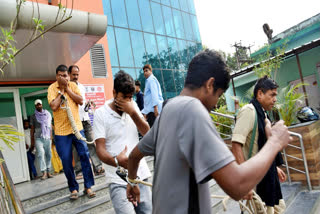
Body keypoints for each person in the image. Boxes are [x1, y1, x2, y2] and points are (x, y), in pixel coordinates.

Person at [126, 49, 291, 214]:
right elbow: (237, 186)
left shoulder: (167, 111)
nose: (214, 105)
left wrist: (132, 182)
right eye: (218, 95)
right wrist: (274, 142)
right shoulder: (193, 110)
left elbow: (134, 156)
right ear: (210, 84)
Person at [94, 71, 152, 214]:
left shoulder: (132, 106)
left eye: (130, 97)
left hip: (141, 175)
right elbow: (100, 149)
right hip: (118, 179)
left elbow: (147, 133)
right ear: (114, 92)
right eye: (123, 97)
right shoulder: (101, 113)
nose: (127, 101)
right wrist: (116, 161)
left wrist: (133, 112)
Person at [231, 76, 287, 213]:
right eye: (272, 95)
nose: (275, 99)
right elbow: (236, 144)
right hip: (256, 185)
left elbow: (261, 146)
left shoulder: (263, 114)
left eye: (276, 95)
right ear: (260, 94)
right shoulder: (249, 111)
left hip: (268, 179)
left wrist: (274, 167)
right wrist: (244, 182)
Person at [47, 64, 95, 200]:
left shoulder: (73, 86)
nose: (64, 78)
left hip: (77, 128)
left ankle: (88, 186)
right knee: (66, 161)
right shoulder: (52, 88)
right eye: (61, 76)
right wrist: (61, 91)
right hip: (61, 132)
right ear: (57, 76)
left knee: (85, 155)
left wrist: (67, 88)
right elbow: (54, 106)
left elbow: (80, 101)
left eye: (65, 75)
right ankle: (73, 188)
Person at [68, 65, 104, 179]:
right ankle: (79, 171)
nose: (75, 77)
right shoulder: (66, 88)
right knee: (77, 147)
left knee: (91, 144)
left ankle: (98, 167)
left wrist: (88, 104)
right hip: (75, 121)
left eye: (77, 74)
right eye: (73, 74)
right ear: (69, 74)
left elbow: (83, 102)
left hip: (85, 118)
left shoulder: (82, 87)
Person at [30, 99, 53, 180]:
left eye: (39, 104)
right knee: (41, 153)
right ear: (35, 106)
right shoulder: (33, 116)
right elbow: (32, 129)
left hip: (47, 137)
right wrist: (32, 141)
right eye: (37, 105)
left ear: (42, 105)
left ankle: (48, 171)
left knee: (48, 154)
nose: (38, 106)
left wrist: (51, 137)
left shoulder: (47, 114)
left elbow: (50, 126)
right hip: (38, 138)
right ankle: (44, 172)